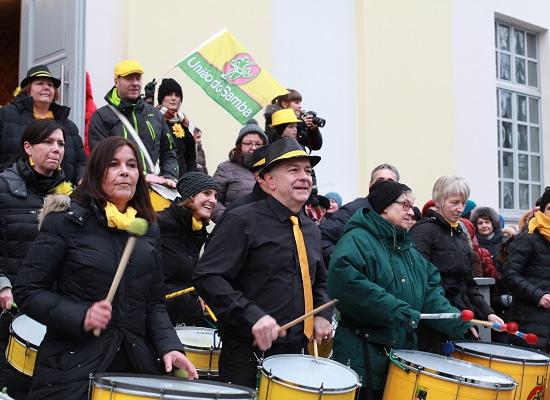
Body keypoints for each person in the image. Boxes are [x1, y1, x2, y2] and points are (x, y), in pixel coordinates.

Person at [13, 136, 197, 399]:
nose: (125, 171)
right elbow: (28, 290)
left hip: (133, 365)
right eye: (114, 164)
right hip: (73, 365)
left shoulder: (146, 228)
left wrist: (169, 346)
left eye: (132, 165)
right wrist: (81, 315)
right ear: (97, 172)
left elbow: (153, 302)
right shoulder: (66, 221)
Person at [193, 137, 332, 388]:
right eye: (293, 170)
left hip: (296, 355)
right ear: (269, 181)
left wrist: (322, 313)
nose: (304, 177)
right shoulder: (242, 220)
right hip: (247, 356)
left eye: (308, 171)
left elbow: (319, 281)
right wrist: (252, 316)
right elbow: (208, 277)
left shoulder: (311, 229)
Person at [328, 181, 467, 400]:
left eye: (412, 206)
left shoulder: (409, 251)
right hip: (362, 357)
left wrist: (457, 320)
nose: (411, 212)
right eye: (404, 205)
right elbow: (348, 284)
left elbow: (430, 295)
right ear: (384, 206)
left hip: (399, 359)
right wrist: (398, 310)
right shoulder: (357, 239)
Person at [0, 120, 71, 399]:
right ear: (28, 147)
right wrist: (2, 284)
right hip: (8, 309)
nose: (56, 149)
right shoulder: (3, 188)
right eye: (49, 142)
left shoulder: (70, 195)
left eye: (61, 144)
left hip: (49, 311)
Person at [409, 176, 503, 353]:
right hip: (433, 326)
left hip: (461, 317)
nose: (460, 209)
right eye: (454, 202)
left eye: (463, 203)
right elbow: (422, 286)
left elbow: (468, 284)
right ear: (439, 200)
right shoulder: (423, 232)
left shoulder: (460, 234)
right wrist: (456, 322)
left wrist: (488, 312)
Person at [89, 60, 178, 188]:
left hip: (155, 188)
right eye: (129, 78)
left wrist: (170, 176)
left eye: (138, 78)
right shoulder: (101, 116)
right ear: (116, 81)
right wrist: (140, 176)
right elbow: (100, 158)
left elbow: (169, 151)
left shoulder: (155, 114)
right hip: (120, 190)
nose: (135, 83)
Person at [0, 65, 86, 185]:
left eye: (50, 85)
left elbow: (81, 162)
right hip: (13, 191)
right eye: (40, 83)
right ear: (27, 89)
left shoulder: (69, 126)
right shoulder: (5, 115)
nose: (46, 87)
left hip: (60, 196)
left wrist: (81, 181)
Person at [159, 172, 218, 326]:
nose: (213, 201)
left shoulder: (198, 229)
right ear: (189, 196)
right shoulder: (159, 224)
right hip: (161, 317)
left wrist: (198, 292)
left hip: (185, 313)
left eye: (215, 196)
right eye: (207, 193)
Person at [320, 163, 400, 264]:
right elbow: (322, 237)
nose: (385, 184)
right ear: (370, 184)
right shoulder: (353, 210)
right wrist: (346, 262)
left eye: (390, 181)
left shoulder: (400, 215)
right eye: (380, 180)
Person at [502, 187, 550, 350]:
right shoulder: (527, 238)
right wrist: (539, 296)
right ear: (542, 210)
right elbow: (509, 275)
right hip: (530, 323)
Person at [210, 119, 267, 222]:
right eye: (248, 143)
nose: (253, 147)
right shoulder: (226, 168)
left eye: (258, 144)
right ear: (239, 146)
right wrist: (229, 220)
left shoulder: (271, 170)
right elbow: (212, 199)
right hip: (235, 230)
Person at [156, 78, 197, 175]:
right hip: (161, 181)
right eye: (169, 94)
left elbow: (191, 156)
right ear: (162, 99)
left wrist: (190, 177)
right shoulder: (154, 119)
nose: (174, 98)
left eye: (177, 95)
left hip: (182, 183)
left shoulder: (183, 122)